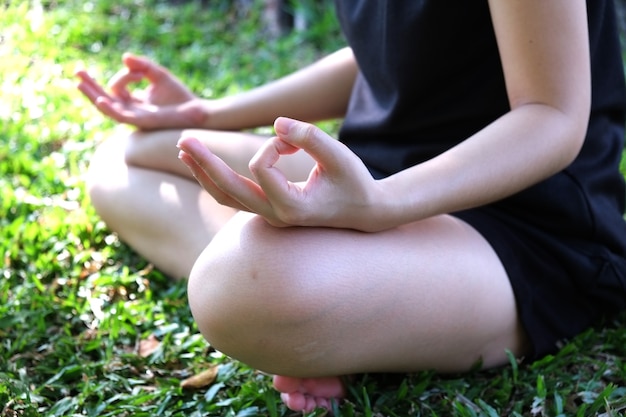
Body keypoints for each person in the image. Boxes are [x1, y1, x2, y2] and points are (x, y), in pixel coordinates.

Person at [77, 0, 626, 413]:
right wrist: (206, 114)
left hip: (519, 222)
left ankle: (315, 299)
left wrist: (383, 203)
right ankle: (332, 305)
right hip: (374, 177)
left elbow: (552, 114)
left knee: (238, 287)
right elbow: (379, 59)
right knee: (128, 160)